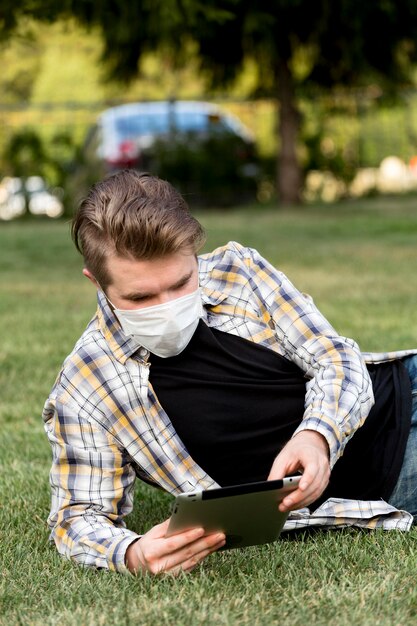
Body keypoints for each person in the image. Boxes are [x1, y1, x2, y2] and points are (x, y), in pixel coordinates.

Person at [43, 169, 417, 576]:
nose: (167, 306)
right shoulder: (85, 388)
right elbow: (77, 517)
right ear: (96, 282)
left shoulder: (238, 271)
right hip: (387, 479)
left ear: (192, 254)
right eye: (140, 296)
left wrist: (316, 437)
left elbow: (335, 357)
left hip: (402, 396)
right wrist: (132, 554)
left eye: (182, 282)